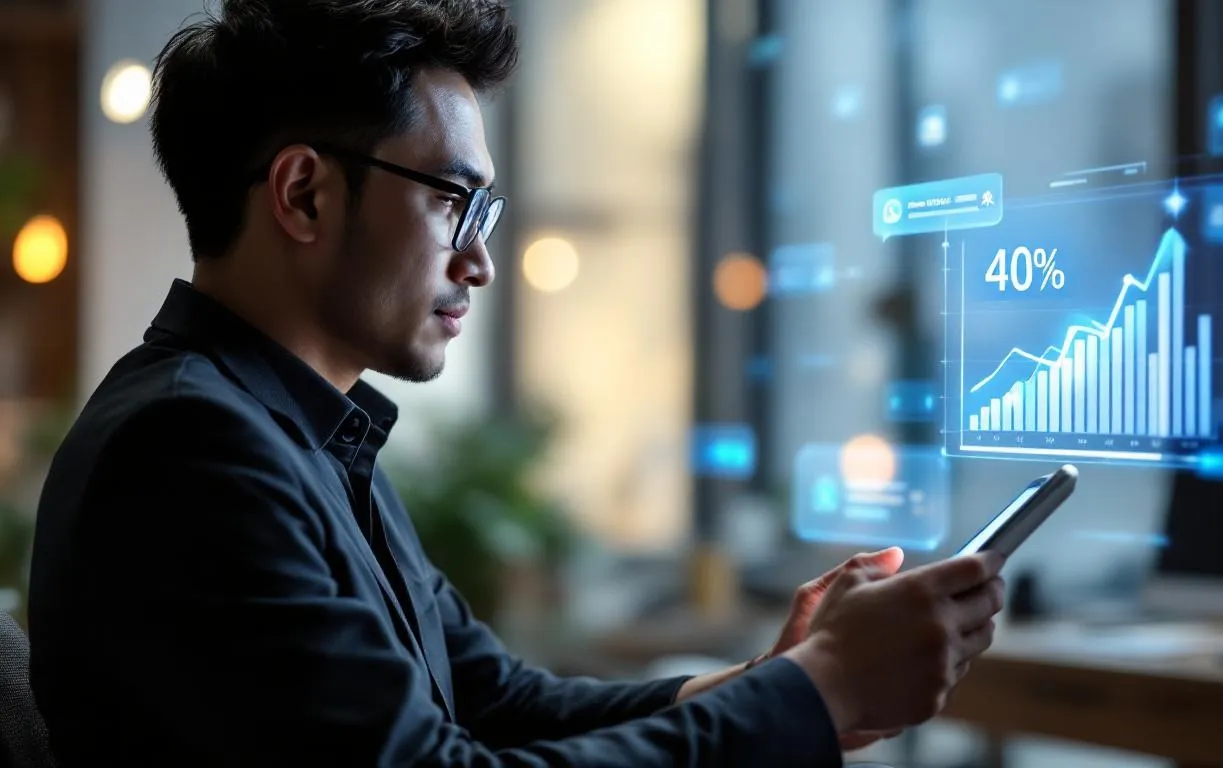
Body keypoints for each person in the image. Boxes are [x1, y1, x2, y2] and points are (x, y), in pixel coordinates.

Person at [25, 1, 1006, 766]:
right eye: (455, 200)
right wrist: (821, 689)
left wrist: (778, 678)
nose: (481, 262)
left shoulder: (301, 437)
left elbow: (502, 702)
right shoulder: (191, 451)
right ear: (305, 193)